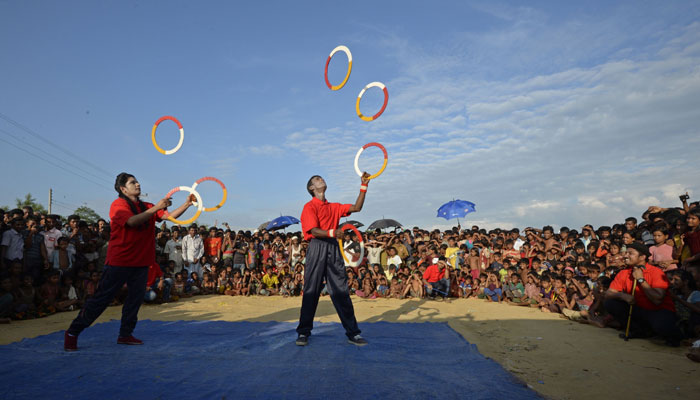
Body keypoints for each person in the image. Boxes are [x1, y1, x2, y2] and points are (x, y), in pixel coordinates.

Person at [63, 172, 192, 351]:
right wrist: (156, 208)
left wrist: (187, 203)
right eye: (133, 183)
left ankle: (125, 334)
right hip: (119, 261)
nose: (138, 184)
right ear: (123, 189)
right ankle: (72, 332)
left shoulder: (146, 205)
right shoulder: (118, 205)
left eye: (138, 181)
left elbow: (168, 217)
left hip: (141, 263)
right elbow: (132, 222)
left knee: (135, 300)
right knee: (102, 299)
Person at [295, 173, 369, 347]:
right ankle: (304, 332)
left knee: (341, 290)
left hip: (333, 247)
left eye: (321, 178)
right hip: (317, 246)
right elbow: (313, 230)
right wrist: (332, 232)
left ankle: (353, 332)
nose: (321, 180)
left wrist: (364, 186)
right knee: (311, 290)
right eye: (317, 179)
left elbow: (357, 207)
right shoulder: (309, 206)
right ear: (311, 188)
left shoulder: (334, 206)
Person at [604, 242, 682, 346]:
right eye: (626, 253)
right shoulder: (624, 272)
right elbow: (608, 293)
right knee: (610, 303)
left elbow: (657, 299)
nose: (625, 256)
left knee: (663, 327)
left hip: (658, 310)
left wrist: (641, 279)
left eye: (630, 253)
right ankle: (638, 330)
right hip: (638, 309)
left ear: (642, 257)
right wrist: (622, 295)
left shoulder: (656, 272)